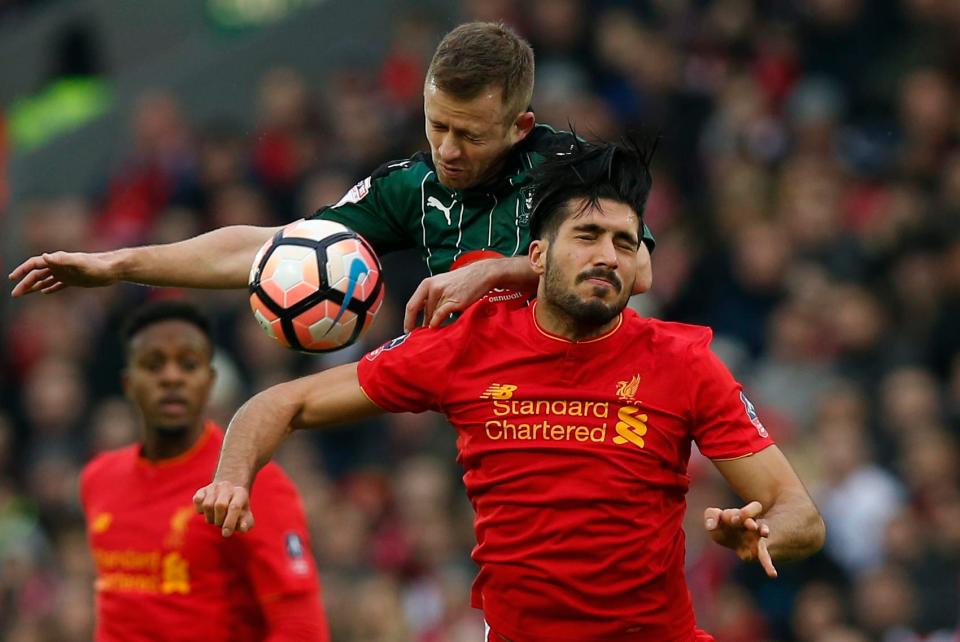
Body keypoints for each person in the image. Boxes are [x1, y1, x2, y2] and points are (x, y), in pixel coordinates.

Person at [193, 138, 826, 642]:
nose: (608, 254)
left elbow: (799, 513)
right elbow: (281, 402)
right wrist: (231, 474)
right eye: (588, 236)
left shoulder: (685, 363)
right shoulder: (468, 345)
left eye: (624, 243)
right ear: (538, 255)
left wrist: (766, 532)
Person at [8, 22, 654, 331]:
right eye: (437, 125)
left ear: (520, 127)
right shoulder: (412, 186)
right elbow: (264, 248)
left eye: (470, 134)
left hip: (595, 398)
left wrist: (496, 271)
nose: (448, 149)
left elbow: (638, 271)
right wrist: (119, 264)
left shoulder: (573, 168)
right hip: (494, 418)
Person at [80, 300, 329, 641]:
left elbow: (300, 624)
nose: (171, 377)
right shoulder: (99, 478)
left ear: (209, 380)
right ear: (128, 384)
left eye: (188, 364)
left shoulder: (253, 482)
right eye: (153, 365)